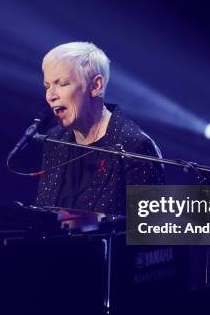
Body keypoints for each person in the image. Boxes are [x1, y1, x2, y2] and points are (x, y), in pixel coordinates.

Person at [35, 42, 165, 215]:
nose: (51, 96)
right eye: (47, 86)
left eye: (62, 83)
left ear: (96, 86)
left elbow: (153, 234)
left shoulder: (135, 145)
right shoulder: (54, 139)